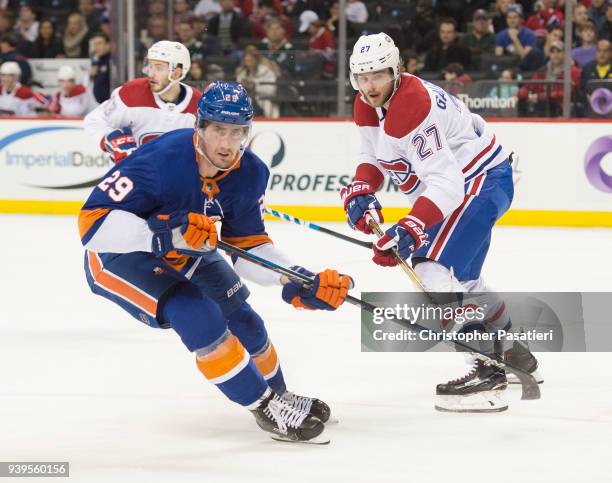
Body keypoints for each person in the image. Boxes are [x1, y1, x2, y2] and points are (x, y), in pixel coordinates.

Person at [78, 81, 351, 443]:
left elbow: (249, 247)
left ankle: (281, 395)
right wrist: (160, 236)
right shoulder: (160, 160)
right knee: (198, 313)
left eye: (237, 132)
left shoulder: (251, 173)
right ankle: (265, 406)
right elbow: (92, 224)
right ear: (199, 127)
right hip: (119, 254)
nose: (227, 143)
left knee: (242, 314)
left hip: (186, 247)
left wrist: (295, 279)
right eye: (219, 130)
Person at [341, 33, 541, 413]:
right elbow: (372, 157)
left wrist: (410, 229)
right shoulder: (368, 104)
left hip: (478, 182)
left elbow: (448, 183)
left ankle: (486, 369)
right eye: (361, 78)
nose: (369, 86)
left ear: (396, 69)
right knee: (463, 279)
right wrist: (362, 191)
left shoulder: (411, 105)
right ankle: (513, 355)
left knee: (432, 265)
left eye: (378, 76)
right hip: (475, 182)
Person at [85, 40, 200, 163]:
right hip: (130, 177)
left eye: (158, 68)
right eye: (150, 66)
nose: (151, 73)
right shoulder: (131, 93)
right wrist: (110, 140)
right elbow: (94, 120)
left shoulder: (199, 106)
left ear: (177, 73)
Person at [89, 31, 111, 103]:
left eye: (99, 44)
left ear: (108, 45)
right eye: (95, 45)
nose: (97, 47)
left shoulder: (112, 61)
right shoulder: (96, 60)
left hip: (112, 104)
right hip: (99, 104)